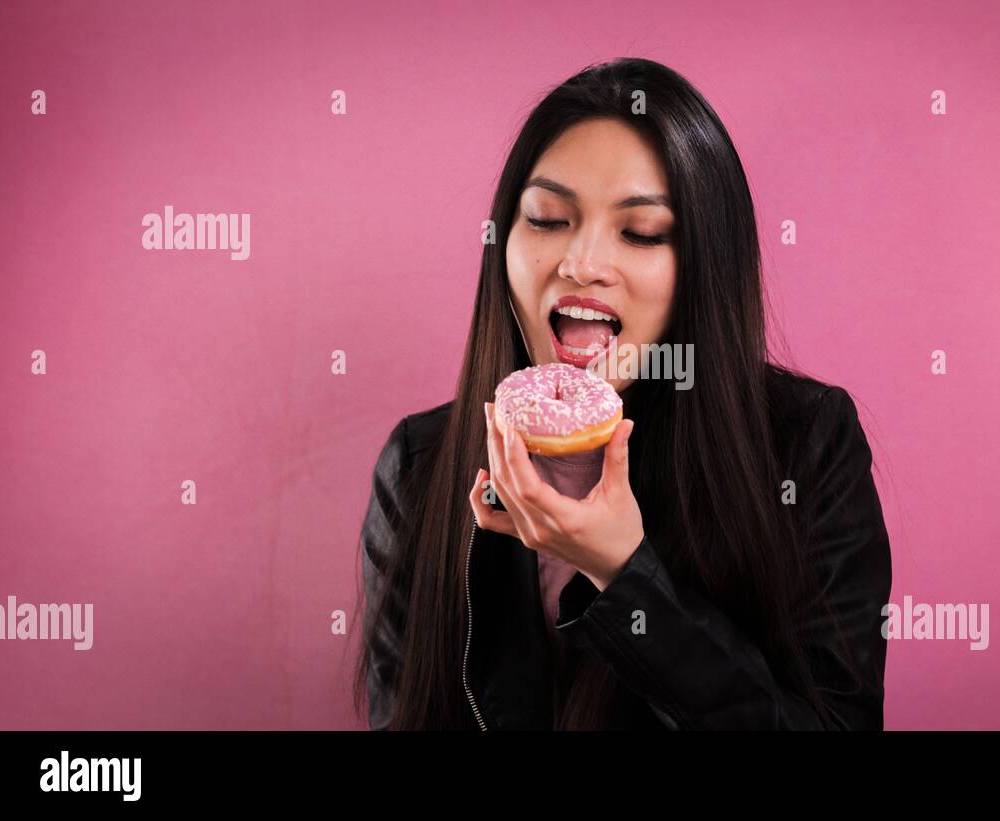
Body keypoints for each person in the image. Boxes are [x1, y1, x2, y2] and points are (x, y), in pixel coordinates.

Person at [355, 57, 892, 730]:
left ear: (704, 266)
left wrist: (625, 572)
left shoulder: (806, 449)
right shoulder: (419, 466)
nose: (581, 262)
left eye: (640, 232)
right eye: (548, 219)